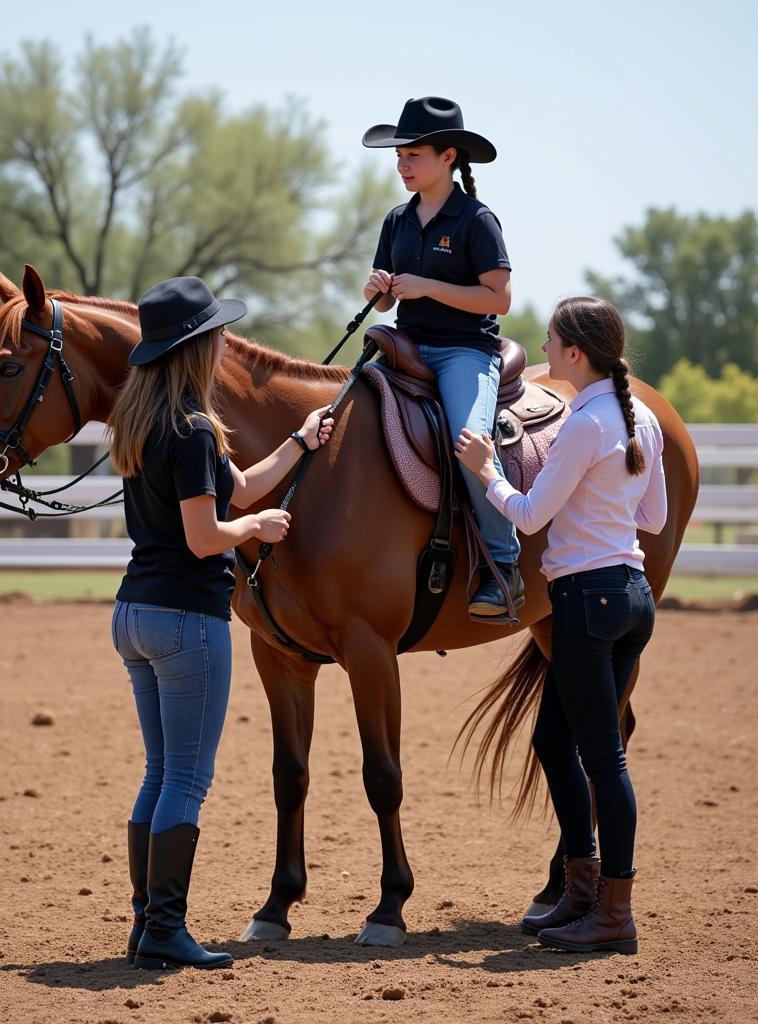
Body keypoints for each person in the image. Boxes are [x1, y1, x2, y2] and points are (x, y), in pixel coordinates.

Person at [107, 277, 333, 970]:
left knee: (159, 772)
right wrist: (257, 529)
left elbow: (237, 484)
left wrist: (299, 440)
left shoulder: (143, 423)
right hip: (185, 618)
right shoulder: (197, 428)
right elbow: (209, 534)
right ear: (199, 349)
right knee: (187, 779)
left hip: (134, 613)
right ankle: (168, 930)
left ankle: (148, 925)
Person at [455, 296, 668, 954]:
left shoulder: (584, 423)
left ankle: (613, 912)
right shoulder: (638, 422)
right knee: (556, 741)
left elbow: (527, 515)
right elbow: (655, 519)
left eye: (550, 342)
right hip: (630, 596)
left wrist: (485, 469)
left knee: (601, 760)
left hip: (586, 602)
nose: (544, 352)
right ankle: (581, 892)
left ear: (576, 352)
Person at [361, 95, 522, 621]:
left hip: (463, 352)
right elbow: (386, 300)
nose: (402, 166)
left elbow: (498, 299)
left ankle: (505, 565)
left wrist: (427, 286)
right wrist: (378, 290)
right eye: (399, 157)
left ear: (448, 157)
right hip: (403, 347)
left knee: (468, 444)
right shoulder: (397, 220)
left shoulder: (476, 220)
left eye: (413, 156)